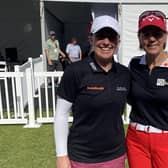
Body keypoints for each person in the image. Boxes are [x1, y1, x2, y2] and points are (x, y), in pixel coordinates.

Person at [54, 15, 131, 168]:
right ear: (91, 39)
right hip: (82, 157)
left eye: (112, 37)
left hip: (114, 156)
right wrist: (61, 155)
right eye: (101, 36)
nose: (106, 42)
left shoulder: (124, 74)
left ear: (118, 42)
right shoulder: (75, 71)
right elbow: (61, 114)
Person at [126, 10, 168, 168]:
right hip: (136, 139)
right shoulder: (134, 65)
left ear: (165, 36)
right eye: (146, 34)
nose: (151, 39)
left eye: (157, 33)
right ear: (140, 38)